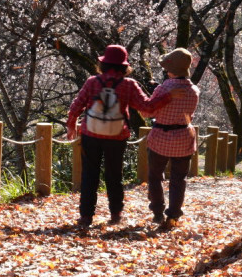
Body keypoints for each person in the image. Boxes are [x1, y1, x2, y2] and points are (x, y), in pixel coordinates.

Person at [67, 45, 177, 227]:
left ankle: (86, 217)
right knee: (114, 175)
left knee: (89, 175)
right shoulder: (129, 85)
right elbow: (147, 107)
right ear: (124, 66)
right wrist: (167, 96)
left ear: (102, 64)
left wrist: (71, 124)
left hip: (90, 133)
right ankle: (116, 214)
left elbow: (77, 105)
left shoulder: (92, 82)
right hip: (117, 136)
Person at [143, 48, 200, 229]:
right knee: (178, 179)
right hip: (184, 137)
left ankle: (158, 211)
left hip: (161, 136)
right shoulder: (194, 90)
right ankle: (173, 215)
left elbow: (150, 110)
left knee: (154, 176)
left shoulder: (163, 88)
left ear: (171, 68)